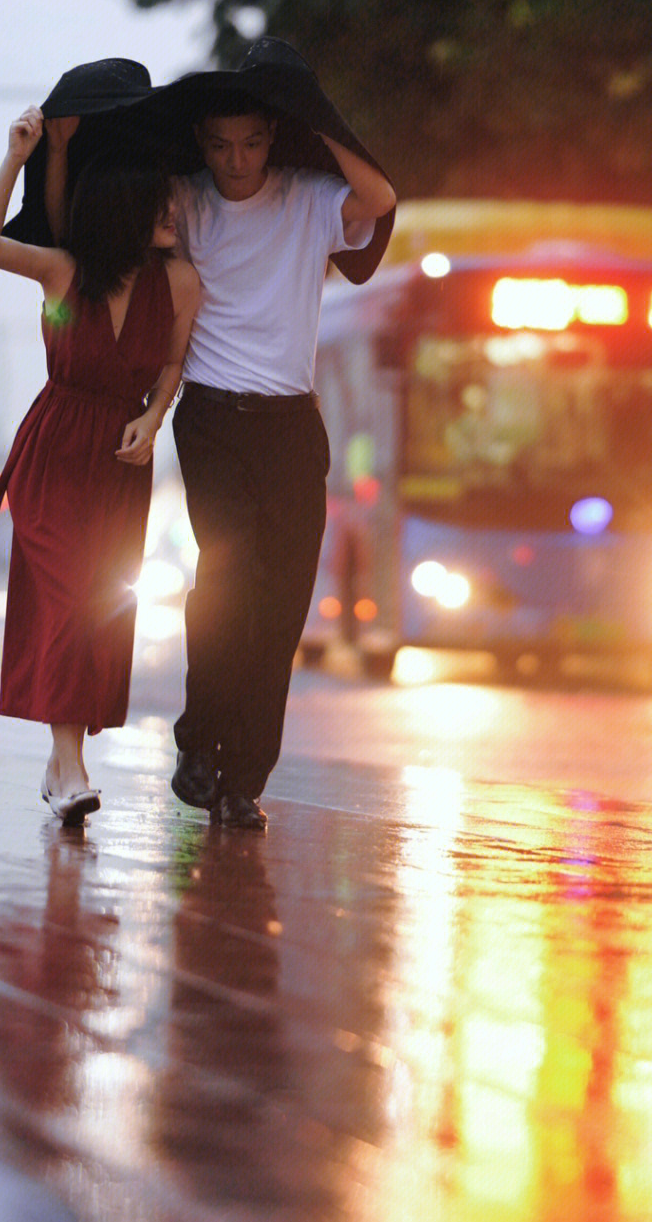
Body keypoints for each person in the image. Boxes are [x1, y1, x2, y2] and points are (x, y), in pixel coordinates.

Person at [161, 88, 396, 827]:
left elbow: (381, 196)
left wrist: (323, 122)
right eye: (221, 144)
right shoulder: (187, 202)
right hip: (210, 416)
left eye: (252, 142)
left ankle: (243, 780)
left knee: (282, 604)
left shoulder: (311, 199)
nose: (236, 160)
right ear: (202, 141)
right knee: (226, 582)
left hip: (291, 422)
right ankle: (200, 741)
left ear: (272, 138)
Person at [0, 106, 201, 825]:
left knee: (97, 610)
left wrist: (154, 414)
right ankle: (71, 769)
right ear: (122, 209)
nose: (171, 213)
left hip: (122, 460)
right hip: (55, 451)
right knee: (66, 603)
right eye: (156, 204)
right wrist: (18, 156)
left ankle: (60, 760)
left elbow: (173, 361)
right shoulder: (63, 271)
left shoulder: (182, 282)